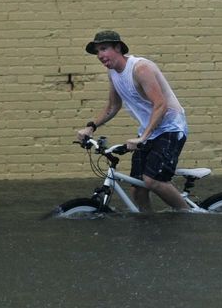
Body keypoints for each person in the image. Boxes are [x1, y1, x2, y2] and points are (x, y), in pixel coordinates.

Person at [76, 30, 189, 211]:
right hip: (149, 131)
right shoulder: (113, 73)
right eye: (97, 52)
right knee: (137, 188)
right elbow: (113, 106)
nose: (99, 55)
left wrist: (143, 137)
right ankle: (148, 224)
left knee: (152, 181)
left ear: (118, 47)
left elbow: (160, 105)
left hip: (170, 128)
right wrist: (91, 127)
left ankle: (188, 215)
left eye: (103, 49)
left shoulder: (140, 69)